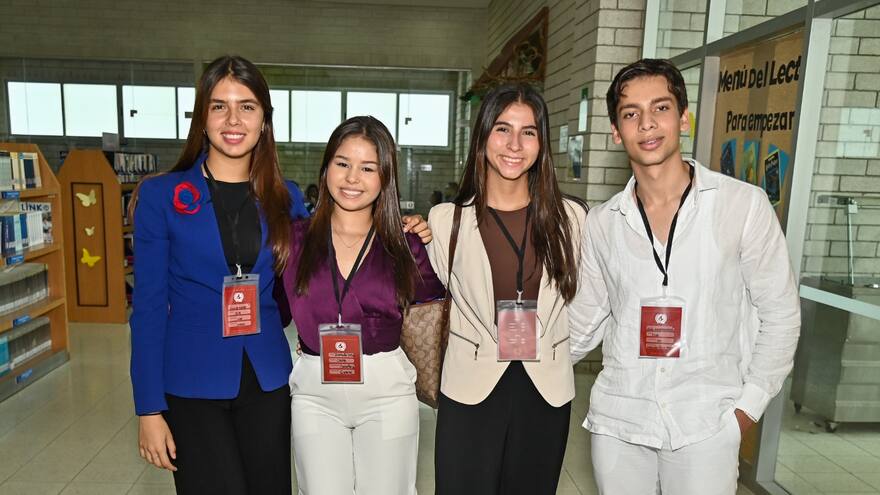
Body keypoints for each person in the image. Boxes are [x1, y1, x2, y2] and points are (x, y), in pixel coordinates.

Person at [130, 56, 429, 494]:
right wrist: (148, 409)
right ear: (202, 117)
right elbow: (149, 309)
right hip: (193, 383)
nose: (234, 119)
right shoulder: (161, 197)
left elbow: (323, 261)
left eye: (247, 106)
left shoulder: (284, 197)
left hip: (268, 382)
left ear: (264, 120)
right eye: (219, 106)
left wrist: (401, 228)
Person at [568, 59, 801, 494]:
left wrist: (746, 409)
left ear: (684, 117)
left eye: (660, 108)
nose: (647, 124)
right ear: (617, 131)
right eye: (631, 113)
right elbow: (586, 317)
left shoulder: (742, 206)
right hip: (621, 419)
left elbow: (781, 315)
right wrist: (523, 361)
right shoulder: (603, 222)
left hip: (706, 421)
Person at [427, 83, 587, 495]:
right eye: (502, 129)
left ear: (541, 143)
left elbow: (590, 301)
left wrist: (562, 345)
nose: (515, 144)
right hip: (471, 386)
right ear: (482, 137)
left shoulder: (572, 218)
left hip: (545, 388)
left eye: (528, 132)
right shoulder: (446, 221)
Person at [282, 116, 444, 494]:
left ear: (385, 178)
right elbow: (273, 307)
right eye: (343, 164)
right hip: (314, 390)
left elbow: (434, 305)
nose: (353, 178)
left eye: (368, 168)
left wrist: (427, 240)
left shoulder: (405, 243)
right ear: (325, 170)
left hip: (386, 390)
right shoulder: (293, 241)